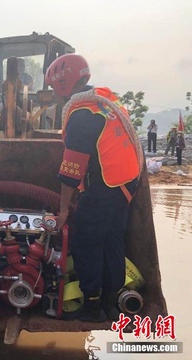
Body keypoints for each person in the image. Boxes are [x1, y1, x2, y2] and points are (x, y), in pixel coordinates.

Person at [45, 54, 143, 322]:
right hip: (125, 186)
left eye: (54, 88)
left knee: (86, 243)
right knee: (112, 242)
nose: (54, 94)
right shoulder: (106, 101)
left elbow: (71, 170)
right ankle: (111, 304)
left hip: (103, 190)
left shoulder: (82, 114)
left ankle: (91, 308)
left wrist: (63, 210)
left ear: (64, 84)